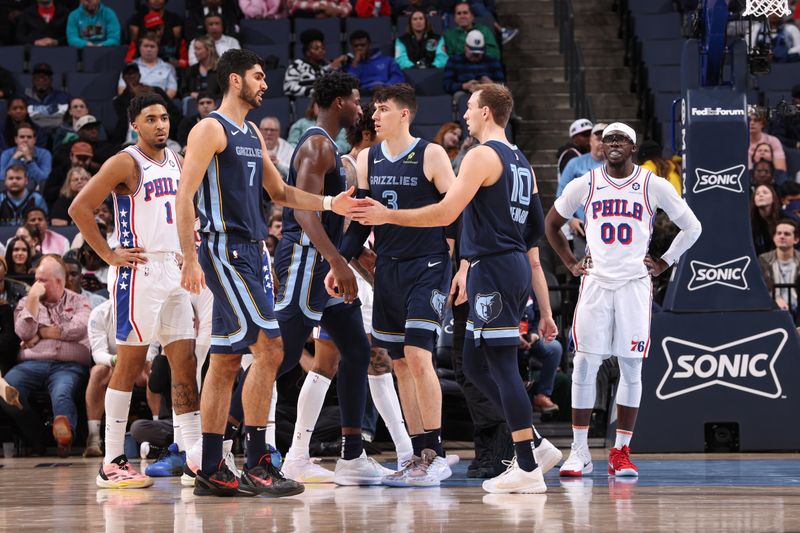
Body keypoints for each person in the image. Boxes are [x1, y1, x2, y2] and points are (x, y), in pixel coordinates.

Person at [350, 83, 562, 494]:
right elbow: (536, 227)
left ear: (486, 112)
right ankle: (533, 443)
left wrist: (387, 214)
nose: (464, 114)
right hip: (507, 263)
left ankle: (527, 465)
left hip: (494, 266)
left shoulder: (482, 155)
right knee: (474, 366)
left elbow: (447, 212)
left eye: (469, 108)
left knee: (497, 367)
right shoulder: (521, 161)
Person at [175, 49, 358, 497]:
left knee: (224, 362)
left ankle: (213, 467)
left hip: (253, 251)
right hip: (224, 249)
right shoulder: (209, 129)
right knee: (272, 349)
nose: (265, 85)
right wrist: (191, 257)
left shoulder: (252, 131)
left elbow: (278, 190)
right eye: (258, 77)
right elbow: (185, 198)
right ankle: (258, 462)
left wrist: (332, 203)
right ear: (235, 80)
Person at [544, 122, 702, 479]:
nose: (614, 144)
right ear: (600, 147)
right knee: (585, 364)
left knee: (631, 368)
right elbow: (551, 224)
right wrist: (570, 262)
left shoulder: (652, 185)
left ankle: (621, 451)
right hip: (596, 284)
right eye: (609, 139)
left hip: (633, 285)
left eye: (622, 140)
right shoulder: (585, 183)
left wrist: (664, 262)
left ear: (633, 148)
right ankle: (580, 451)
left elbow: (692, 227)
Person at [68, 93, 202, 490]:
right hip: (138, 271)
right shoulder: (125, 161)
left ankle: (191, 452)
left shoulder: (178, 160)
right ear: (135, 125)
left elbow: (186, 209)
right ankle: (111, 460)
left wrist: (190, 254)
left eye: (164, 118)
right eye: (151, 119)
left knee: (184, 360)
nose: (161, 125)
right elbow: (80, 207)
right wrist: (108, 253)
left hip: (174, 267)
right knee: (129, 363)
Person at [332, 83, 456, 486]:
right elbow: (363, 221)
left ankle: (435, 453)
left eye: (383, 109)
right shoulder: (367, 158)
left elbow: (455, 214)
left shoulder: (432, 154)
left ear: (405, 114)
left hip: (429, 265)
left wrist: (464, 263)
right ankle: (419, 454)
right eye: (374, 109)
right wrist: (339, 262)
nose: (374, 116)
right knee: (399, 362)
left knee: (419, 355)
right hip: (388, 269)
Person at [269, 71, 385, 486]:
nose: (360, 107)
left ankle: (351, 455)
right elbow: (302, 213)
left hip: (324, 262)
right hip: (305, 260)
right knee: (278, 358)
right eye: (356, 100)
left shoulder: (331, 149)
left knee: (355, 349)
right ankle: (216, 446)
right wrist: (338, 262)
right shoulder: (317, 144)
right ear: (338, 102)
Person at [0, 255, 92, 457]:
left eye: (42, 281)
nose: (37, 285)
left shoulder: (80, 301)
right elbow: (23, 332)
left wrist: (41, 332)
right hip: (31, 364)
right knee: (6, 390)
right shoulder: (27, 301)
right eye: (36, 280)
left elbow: (78, 328)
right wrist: (33, 299)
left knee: (62, 392)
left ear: (59, 282)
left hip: (68, 366)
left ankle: (64, 439)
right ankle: (39, 437)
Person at [556, 122, 607, 259]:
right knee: (585, 272)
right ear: (590, 140)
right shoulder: (575, 164)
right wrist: (570, 219)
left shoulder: (617, 166)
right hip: (583, 229)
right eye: (598, 139)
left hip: (610, 230)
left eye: (606, 139)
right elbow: (561, 195)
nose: (602, 143)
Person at [283, 29, 346, 98]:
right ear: (307, 52)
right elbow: (288, 87)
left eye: (322, 48)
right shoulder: (297, 65)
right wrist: (314, 92)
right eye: (316, 48)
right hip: (304, 103)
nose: (321, 51)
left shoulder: (328, 66)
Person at [442, 30, 505, 95]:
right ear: (466, 47)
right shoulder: (454, 61)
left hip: (488, 94)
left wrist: (492, 84)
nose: (475, 56)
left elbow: (503, 86)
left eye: (478, 54)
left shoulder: (492, 61)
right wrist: (463, 86)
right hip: (464, 94)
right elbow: (446, 85)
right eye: (473, 53)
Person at [119, 33, 179, 99]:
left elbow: (172, 90)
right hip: (135, 103)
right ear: (139, 48)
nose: (149, 49)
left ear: (158, 49)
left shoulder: (168, 67)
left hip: (160, 104)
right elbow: (121, 89)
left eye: (152, 46)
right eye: (146, 46)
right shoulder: (130, 67)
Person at [759, 219, 800, 315]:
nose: (782, 236)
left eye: (787, 234)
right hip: (772, 310)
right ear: (773, 237)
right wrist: (776, 300)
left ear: (796, 239)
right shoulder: (763, 260)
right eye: (779, 233)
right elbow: (763, 288)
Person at [345, 30, 405, 95]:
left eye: (363, 45)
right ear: (352, 47)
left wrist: (386, 86)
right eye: (356, 46)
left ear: (369, 45)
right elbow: (349, 85)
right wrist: (355, 64)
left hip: (386, 92)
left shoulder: (387, 60)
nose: (359, 48)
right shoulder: (350, 65)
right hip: (363, 95)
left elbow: (398, 77)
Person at [0, 123, 52, 188]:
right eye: (22, 137)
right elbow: (2, 178)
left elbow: (44, 179)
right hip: (12, 189)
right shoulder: (6, 154)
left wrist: (29, 160)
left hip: (36, 190)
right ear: (16, 140)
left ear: (34, 140)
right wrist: (14, 158)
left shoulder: (44, 154)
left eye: (29, 137)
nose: (25, 140)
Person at [24, 62, 71, 131]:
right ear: (33, 79)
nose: (42, 79)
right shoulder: (24, 100)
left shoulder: (64, 98)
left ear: (51, 80)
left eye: (45, 76)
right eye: (38, 76)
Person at [180, 35, 221, 101]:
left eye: (198, 49)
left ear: (209, 50)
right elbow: (182, 92)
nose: (195, 52)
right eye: (195, 49)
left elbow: (225, 94)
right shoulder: (191, 70)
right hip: (194, 104)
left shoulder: (220, 70)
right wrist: (191, 94)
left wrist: (209, 97)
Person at [748, 107, 787, 172]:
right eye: (749, 120)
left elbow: (781, 172)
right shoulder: (739, 141)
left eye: (756, 120)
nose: (752, 123)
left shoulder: (773, 141)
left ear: (763, 123)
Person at [751, 184, 781, 256]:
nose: (761, 195)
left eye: (765, 192)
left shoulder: (785, 217)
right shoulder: (750, 221)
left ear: (773, 198)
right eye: (757, 194)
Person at [287, 0, 352, 18]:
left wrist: (337, 11)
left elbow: (347, 5)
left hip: (333, 17)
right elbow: (293, 4)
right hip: (307, 17)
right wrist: (321, 8)